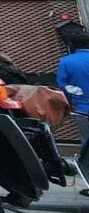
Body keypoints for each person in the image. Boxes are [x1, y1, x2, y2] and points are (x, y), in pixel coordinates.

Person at [57, 32, 89, 196]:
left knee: (87, 146)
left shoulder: (67, 62)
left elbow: (63, 86)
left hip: (83, 109)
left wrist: (71, 102)